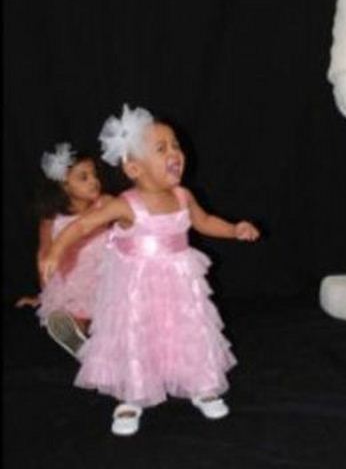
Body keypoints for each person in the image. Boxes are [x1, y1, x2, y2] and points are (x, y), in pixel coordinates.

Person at [41, 104, 260, 436]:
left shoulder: (183, 196)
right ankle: (131, 394)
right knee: (136, 335)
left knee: (187, 330)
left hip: (180, 283)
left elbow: (204, 221)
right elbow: (84, 225)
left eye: (176, 145)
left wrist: (233, 229)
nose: (174, 153)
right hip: (137, 289)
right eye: (161, 148)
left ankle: (199, 383)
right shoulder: (126, 204)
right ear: (134, 168)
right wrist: (56, 249)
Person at [16, 143, 108, 358]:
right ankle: (76, 336)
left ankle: (101, 338)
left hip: (104, 278)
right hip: (71, 282)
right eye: (84, 177)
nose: (94, 181)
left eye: (94, 175)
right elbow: (44, 254)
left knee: (110, 311)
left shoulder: (105, 204)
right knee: (73, 311)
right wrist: (45, 294)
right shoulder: (52, 219)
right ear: (65, 186)